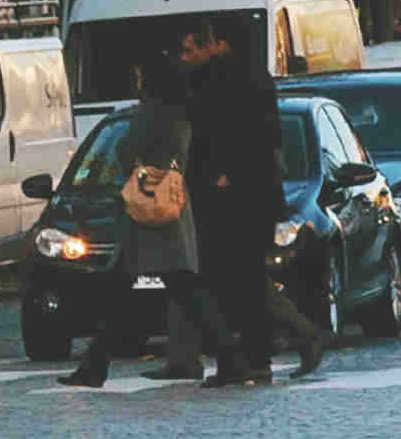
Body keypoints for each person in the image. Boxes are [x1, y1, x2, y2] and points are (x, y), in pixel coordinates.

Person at [175, 24, 319, 388]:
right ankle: (258, 355)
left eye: (193, 49)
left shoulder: (230, 80)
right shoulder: (239, 76)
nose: (186, 57)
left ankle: (269, 351)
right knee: (240, 281)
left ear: (217, 44)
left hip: (235, 196)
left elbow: (240, 134)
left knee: (239, 281)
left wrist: (225, 174)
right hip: (241, 193)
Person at [61, 75, 209, 390]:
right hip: (171, 202)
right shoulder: (184, 110)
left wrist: (137, 160)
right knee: (179, 290)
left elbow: (126, 149)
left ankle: (94, 366)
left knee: (136, 289)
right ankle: (94, 365)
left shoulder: (152, 111)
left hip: (149, 208)